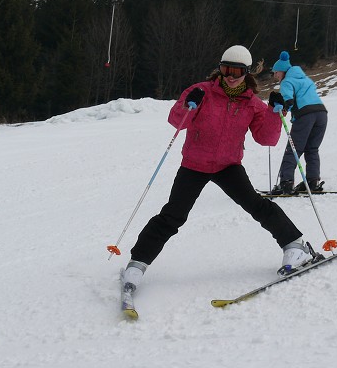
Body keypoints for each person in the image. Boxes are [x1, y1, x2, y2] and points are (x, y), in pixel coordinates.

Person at [122, 45, 314, 291]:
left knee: (256, 205)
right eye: (226, 69)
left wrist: (274, 114)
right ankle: (136, 264)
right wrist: (187, 105)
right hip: (194, 164)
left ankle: (295, 245)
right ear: (220, 69)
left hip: (228, 165)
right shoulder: (201, 91)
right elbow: (176, 121)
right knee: (173, 215)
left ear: (247, 73)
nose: (231, 76)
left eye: (237, 71)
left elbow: (266, 139)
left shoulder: (252, 103)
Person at [270, 51, 328, 195]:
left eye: (276, 73)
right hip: (321, 114)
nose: (275, 76)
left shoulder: (287, 81)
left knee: (293, 149)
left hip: (305, 116)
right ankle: (312, 181)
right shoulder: (305, 78)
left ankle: (286, 182)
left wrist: (282, 107)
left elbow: (288, 100)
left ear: (282, 71)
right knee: (312, 148)